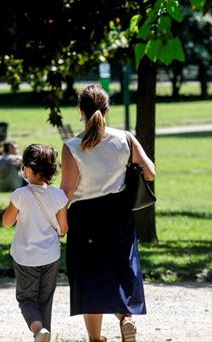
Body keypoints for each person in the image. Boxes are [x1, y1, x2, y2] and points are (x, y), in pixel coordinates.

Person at [60, 84, 156, 342]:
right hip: (118, 213)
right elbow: (150, 172)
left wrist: (57, 221)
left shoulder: (72, 146)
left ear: (80, 110)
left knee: (89, 275)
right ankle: (126, 319)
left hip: (84, 217)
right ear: (107, 109)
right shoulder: (124, 138)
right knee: (121, 267)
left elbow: (66, 193)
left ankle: (95, 338)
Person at [2, 144, 69, 342]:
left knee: (26, 298)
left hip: (25, 257)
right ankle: (44, 332)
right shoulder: (59, 196)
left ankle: (38, 330)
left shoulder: (20, 195)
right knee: (45, 299)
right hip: (50, 255)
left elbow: (6, 223)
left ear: (29, 169)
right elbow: (64, 229)